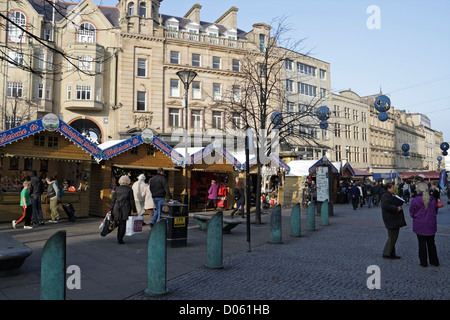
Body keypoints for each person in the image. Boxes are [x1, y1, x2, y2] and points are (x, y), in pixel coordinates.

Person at [409, 182, 439, 267]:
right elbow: (435, 210)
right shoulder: (432, 199)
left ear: (418, 189)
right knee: (431, 243)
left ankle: (423, 262)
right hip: (431, 224)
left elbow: (412, 212)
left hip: (420, 224)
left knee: (421, 244)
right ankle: (434, 261)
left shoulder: (415, 200)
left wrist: (416, 217)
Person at [381, 183, 407, 259]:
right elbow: (385, 206)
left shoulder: (389, 195)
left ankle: (391, 253)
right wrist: (396, 208)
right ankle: (386, 253)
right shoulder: (385, 196)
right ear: (388, 189)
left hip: (393, 219)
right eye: (392, 188)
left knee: (393, 237)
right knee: (392, 237)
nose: (394, 189)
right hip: (390, 219)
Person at [110, 175, 137, 244]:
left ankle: (118, 237)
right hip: (125, 208)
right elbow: (131, 200)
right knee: (122, 224)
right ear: (128, 181)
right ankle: (120, 239)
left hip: (116, 208)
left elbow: (113, 200)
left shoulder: (117, 189)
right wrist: (134, 210)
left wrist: (111, 209)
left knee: (117, 222)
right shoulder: (129, 189)